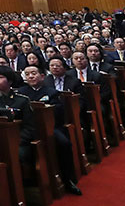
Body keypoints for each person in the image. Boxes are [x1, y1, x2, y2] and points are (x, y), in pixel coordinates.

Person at [17, 64, 82, 195]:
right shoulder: (21, 92)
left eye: (34, 73)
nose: (31, 76)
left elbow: (58, 112)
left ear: (42, 76)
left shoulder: (51, 91)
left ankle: (68, 179)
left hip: (50, 127)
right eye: (28, 74)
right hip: (28, 129)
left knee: (64, 143)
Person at [0, 66, 36, 165]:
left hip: (17, 140)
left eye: (1, 77)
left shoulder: (22, 100)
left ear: (10, 81)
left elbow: (29, 127)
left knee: (18, 155)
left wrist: (16, 140)